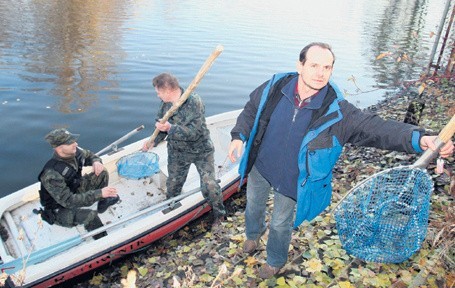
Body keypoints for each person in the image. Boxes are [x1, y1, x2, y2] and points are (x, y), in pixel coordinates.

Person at [228, 42, 454, 279]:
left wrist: (419, 138)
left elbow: (377, 129)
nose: (320, 73)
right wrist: (238, 136)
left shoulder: (337, 111)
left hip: (293, 178)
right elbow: (252, 109)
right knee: (253, 205)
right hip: (261, 166)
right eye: (314, 65)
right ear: (300, 65)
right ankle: (253, 235)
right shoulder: (275, 86)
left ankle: (275, 260)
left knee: (280, 223)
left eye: (327, 67)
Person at [142, 73, 226, 229]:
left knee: (209, 185)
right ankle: (172, 213)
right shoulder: (165, 104)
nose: (157, 95)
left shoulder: (194, 101)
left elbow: (196, 132)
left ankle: (219, 214)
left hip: (201, 150)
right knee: (173, 185)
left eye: (158, 92)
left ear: (167, 90)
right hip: (177, 152)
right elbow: (161, 126)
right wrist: (153, 141)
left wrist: (170, 128)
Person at [38, 128, 120, 240]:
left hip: (74, 189)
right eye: (70, 142)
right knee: (90, 216)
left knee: (102, 172)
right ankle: (103, 241)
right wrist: (99, 193)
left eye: (74, 141)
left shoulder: (75, 152)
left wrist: (96, 161)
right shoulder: (51, 174)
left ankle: (102, 204)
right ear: (59, 148)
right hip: (59, 208)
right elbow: (69, 201)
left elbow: (91, 155)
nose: (75, 144)